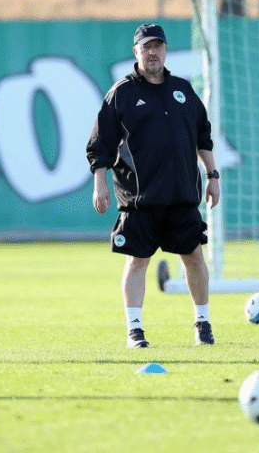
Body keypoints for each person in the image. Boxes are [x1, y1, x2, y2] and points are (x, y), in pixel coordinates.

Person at [86, 23, 220, 348]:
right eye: (145, 47)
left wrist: (212, 176)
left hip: (181, 195)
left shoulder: (182, 90)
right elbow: (100, 144)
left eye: (157, 46)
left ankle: (202, 323)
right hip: (139, 198)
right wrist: (99, 185)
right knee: (137, 261)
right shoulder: (122, 93)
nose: (152, 52)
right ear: (136, 52)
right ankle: (135, 330)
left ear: (165, 50)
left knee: (194, 257)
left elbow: (203, 137)